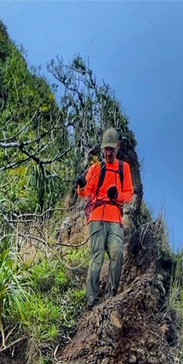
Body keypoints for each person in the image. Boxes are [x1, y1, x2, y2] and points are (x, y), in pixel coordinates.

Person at [76, 127, 134, 309]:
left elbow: (128, 195)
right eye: (106, 149)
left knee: (117, 253)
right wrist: (81, 185)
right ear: (102, 149)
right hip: (96, 217)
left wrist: (116, 195)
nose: (108, 152)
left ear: (118, 147)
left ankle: (110, 297)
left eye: (112, 148)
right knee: (97, 257)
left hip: (115, 218)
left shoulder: (123, 168)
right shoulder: (95, 169)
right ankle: (91, 300)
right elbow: (85, 193)